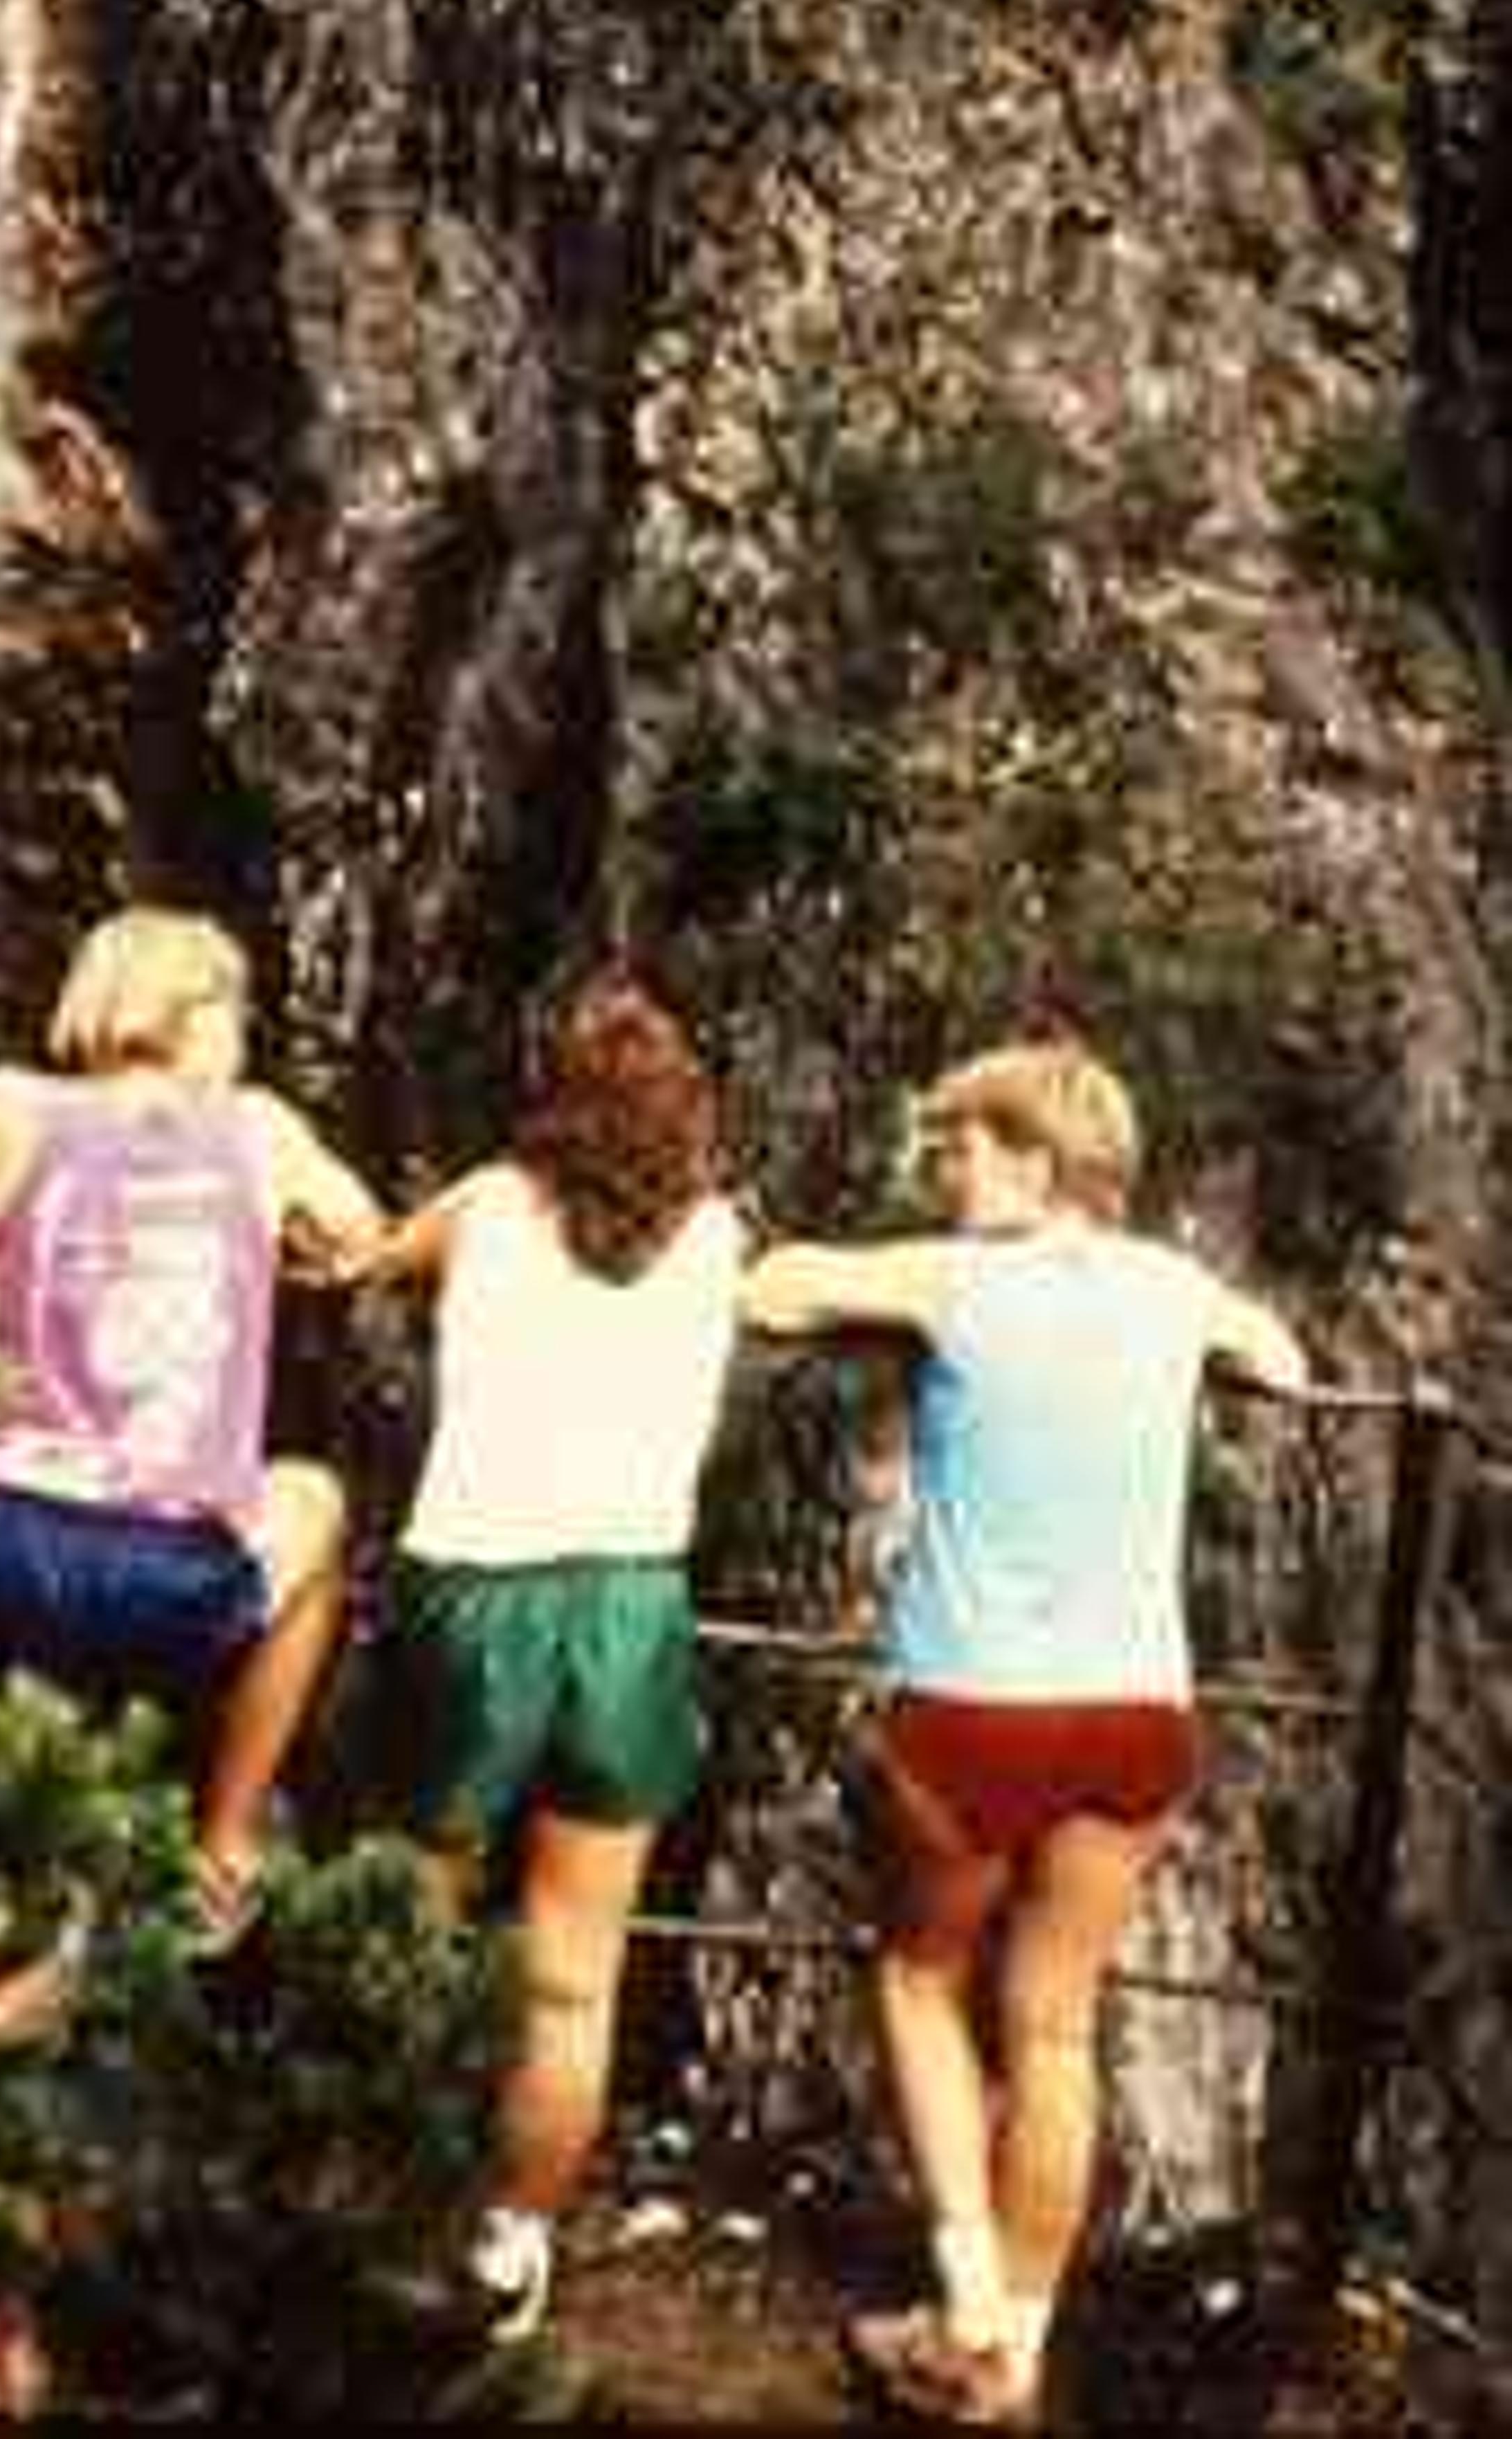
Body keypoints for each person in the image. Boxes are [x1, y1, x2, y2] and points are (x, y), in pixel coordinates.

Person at [740, 1037, 1309, 2429]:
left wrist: (850, 1283)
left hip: (975, 1704)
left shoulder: (954, 1281)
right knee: (1056, 2025)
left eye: (962, 1148)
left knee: (923, 1978)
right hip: (1136, 1709)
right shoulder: (1177, 1287)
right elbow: (1283, 1362)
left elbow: (776, 1285)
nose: (944, 1174)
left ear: (1035, 1161)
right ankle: (1021, 2351)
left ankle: (969, 2309)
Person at [347, 965, 744, 2352]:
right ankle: (512, 2252)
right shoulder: (721, 1240)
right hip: (633, 1605)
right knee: (576, 1971)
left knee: (415, 1918)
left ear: (551, 1104)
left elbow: (361, 1260)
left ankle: (372, 2207)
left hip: (480, 1592)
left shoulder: (485, 1210)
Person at [0, 903, 386, 1956]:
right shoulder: (260, 1128)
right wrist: (280, 1239)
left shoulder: (8, 1105)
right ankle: (224, 1846)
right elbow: (359, 1230)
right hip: (171, 1574)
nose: (242, 1033)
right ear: (190, 1011)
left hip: (4, 1555)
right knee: (320, 1505)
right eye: (233, 1009)